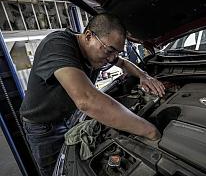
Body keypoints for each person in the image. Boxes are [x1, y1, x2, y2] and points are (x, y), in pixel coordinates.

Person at [19, 13, 165, 176]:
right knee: (58, 171)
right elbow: (86, 100)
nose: (111, 58)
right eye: (110, 50)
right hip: (44, 127)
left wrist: (143, 75)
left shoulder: (102, 51)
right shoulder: (57, 44)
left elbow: (123, 62)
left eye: (116, 52)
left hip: (71, 116)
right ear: (88, 36)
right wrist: (149, 130)